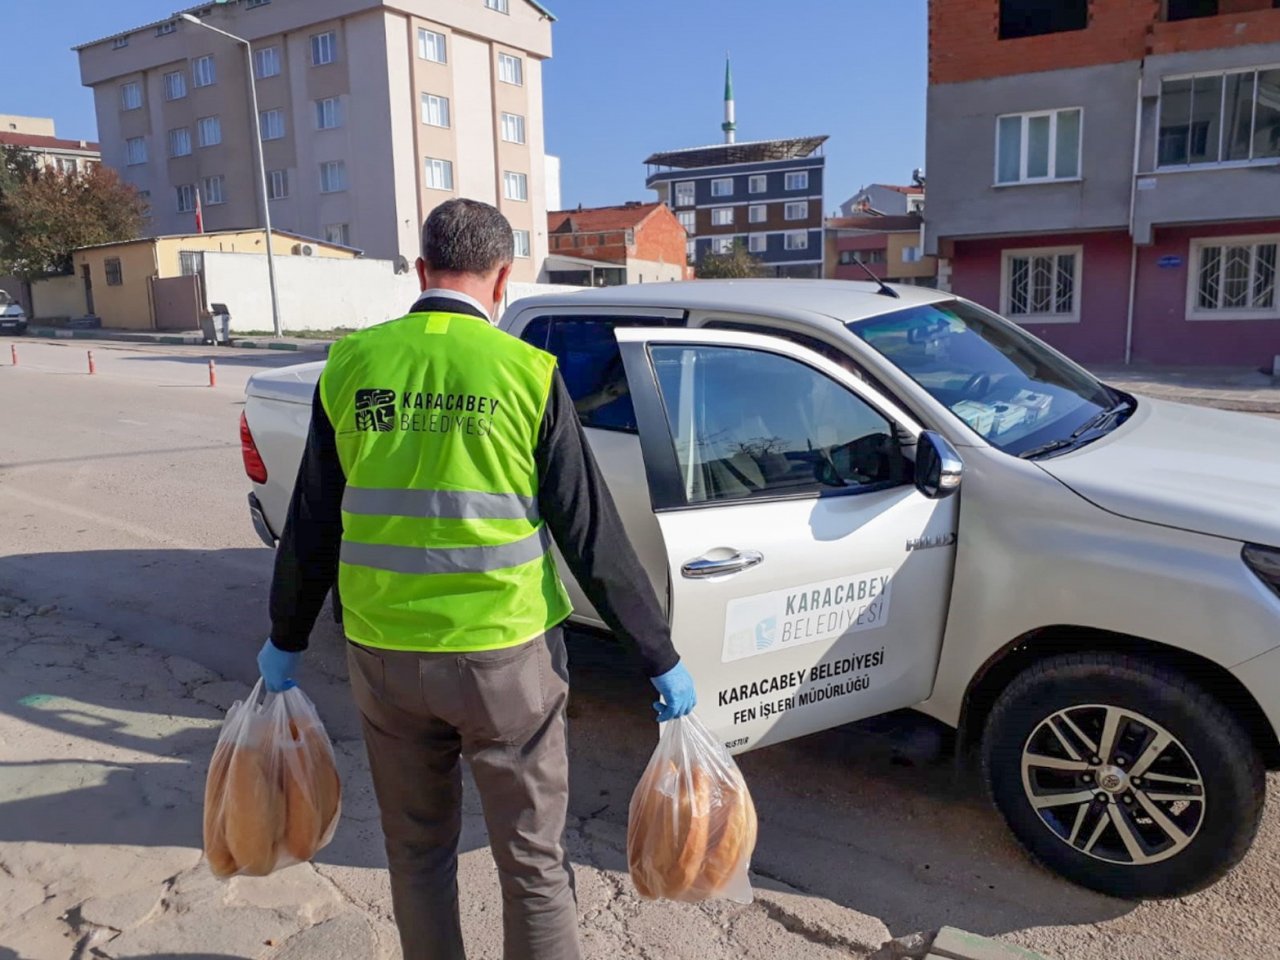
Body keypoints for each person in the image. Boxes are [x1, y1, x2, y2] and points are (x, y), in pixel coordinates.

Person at [258, 198, 697, 960]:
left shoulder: (352, 365)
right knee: (532, 864)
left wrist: (284, 639)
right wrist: (657, 656)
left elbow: (311, 525)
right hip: (505, 661)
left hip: (385, 657)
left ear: (421, 271)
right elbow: (591, 534)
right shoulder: (526, 373)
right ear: (502, 280)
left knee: (416, 853)